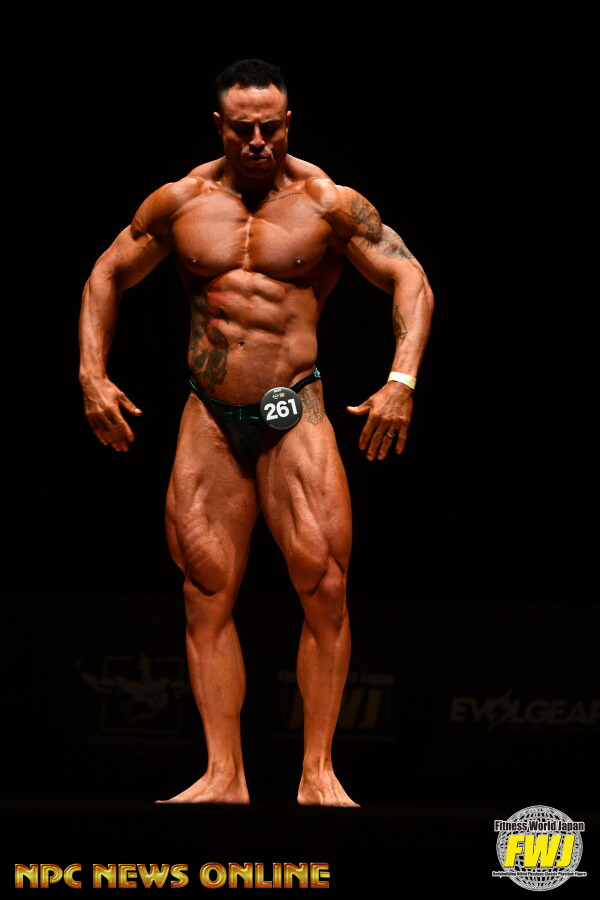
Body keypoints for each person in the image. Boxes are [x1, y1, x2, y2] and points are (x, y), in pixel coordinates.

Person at [78, 58, 434, 807]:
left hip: (291, 408)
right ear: (220, 127)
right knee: (205, 591)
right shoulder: (181, 200)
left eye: (271, 126)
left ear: (289, 122)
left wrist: (400, 381)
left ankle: (318, 775)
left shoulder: (327, 202)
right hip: (209, 413)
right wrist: (92, 375)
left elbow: (410, 278)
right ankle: (223, 776)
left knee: (324, 585)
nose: (258, 140)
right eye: (243, 128)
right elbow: (106, 273)